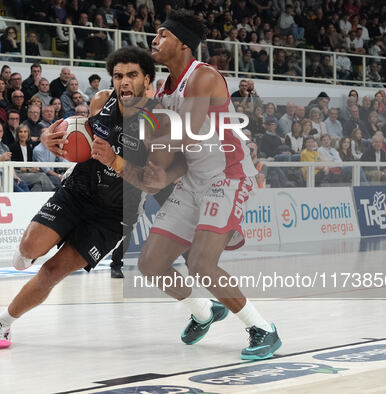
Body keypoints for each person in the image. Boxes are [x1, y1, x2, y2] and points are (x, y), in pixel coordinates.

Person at [0, 46, 160, 349]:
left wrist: (114, 162)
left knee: (53, 271)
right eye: (118, 76)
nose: (124, 82)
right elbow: (80, 138)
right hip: (78, 189)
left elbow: (154, 182)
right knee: (28, 248)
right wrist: (54, 142)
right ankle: (28, 251)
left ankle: (2, 322)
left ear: (147, 79)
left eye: (132, 75)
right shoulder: (102, 101)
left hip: (114, 215)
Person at [143, 10, 280, 360]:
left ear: (183, 43)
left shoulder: (203, 77)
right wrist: (154, 174)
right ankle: (205, 311)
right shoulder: (163, 88)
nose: (153, 40)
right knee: (151, 264)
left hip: (228, 175)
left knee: (201, 264)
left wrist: (138, 149)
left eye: (161, 34)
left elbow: (183, 135)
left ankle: (261, 328)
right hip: (193, 180)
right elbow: (172, 155)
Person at [0, 122, 30, 192]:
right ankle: (26, 200)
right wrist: (1, 159)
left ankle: (27, 199)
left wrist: (15, 176)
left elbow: (10, 165)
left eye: (0, 131)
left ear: (3, 133)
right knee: (10, 182)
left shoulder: (5, 147)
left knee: (22, 183)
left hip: (6, 174)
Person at [10, 124, 55, 192]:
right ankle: (53, 191)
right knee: (41, 176)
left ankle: (33, 200)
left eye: (25, 132)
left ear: (28, 134)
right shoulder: (13, 147)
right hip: (18, 175)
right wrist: (29, 170)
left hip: (29, 174)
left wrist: (34, 169)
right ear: (17, 134)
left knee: (38, 184)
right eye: (20, 132)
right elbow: (15, 167)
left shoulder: (29, 146)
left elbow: (42, 140)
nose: (23, 134)